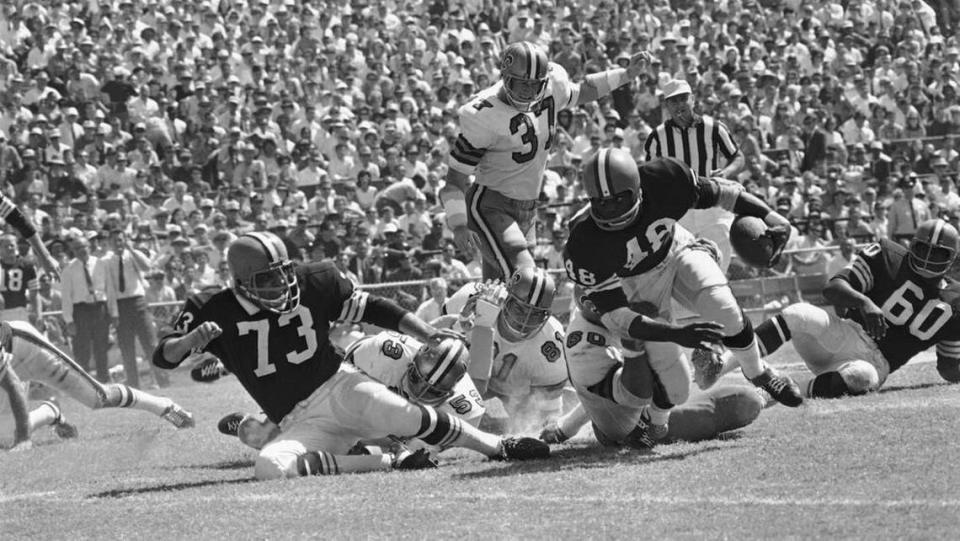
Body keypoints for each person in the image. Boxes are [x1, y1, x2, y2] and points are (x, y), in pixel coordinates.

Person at [153, 232, 548, 481]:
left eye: (284, 272)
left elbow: (373, 306)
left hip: (338, 386)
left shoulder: (314, 279)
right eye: (268, 278)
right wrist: (189, 341)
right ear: (240, 282)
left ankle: (499, 447)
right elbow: (163, 357)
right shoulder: (213, 308)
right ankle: (388, 465)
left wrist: (426, 333)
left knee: (407, 416)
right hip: (296, 418)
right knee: (269, 466)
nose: (283, 283)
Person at [562, 149, 803, 445]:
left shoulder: (665, 179)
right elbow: (620, 317)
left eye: (618, 198)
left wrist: (770, 215)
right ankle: (656, 423)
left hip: (676, 250)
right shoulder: (584, 244)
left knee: (722, 306)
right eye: (600, 201)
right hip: (635, 286)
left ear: (638, 189)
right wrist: (678, 334)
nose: (610, 208)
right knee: (677, 388)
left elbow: (722, 194)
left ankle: (758, 372)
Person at [441, 41, 650, 281]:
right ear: (505, 77)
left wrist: (626, 74)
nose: (528, 91)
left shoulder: (552, 86)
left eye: (534, 85)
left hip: (528, 208)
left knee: (498, 292)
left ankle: (473, 319)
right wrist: (458, 224)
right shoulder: (482, 114)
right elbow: (454, 180)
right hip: (492, 206)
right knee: (530, 282)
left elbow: (584, 90)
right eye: (521, 83)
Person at [748, 219, 960, 398]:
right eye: (923, 248)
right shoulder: (888, 255)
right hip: (844, 335)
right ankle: (733, 362)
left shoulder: (955, 302)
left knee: (860, 377)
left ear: (952, 257)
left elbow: (949, 367)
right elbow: (833, 288)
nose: (928, 257)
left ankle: (774, 393)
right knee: (798, 313)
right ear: (912, 245)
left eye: (938, 253)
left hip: (877, 364)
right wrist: (863, 302)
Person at [212, 330, 485, 453]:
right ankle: (256, 419)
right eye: (417, 378)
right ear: (413, 360)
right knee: (262, 436)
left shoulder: (465, 408)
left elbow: (410, 449)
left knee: (380, 452)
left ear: (452, 391)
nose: (420, 390)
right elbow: (332, 381)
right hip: (341, 401)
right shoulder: (384, 352)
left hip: (387, 430)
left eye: (432, 390)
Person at [538, 299, 764, 448]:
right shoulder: (584, 346)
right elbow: (634, 395)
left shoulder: (614, 296)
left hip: (627, 400)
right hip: (632, 425)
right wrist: (633, 347)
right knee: (746, 401)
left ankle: (767, 384)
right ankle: (768, 392)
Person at [0, 319, 193, 446]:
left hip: (28, 350)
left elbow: (13, 385)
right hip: (9, 361)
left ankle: (164, 406)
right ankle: (50, 412)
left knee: (98, 397)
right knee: (5, 436)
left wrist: (24, 439)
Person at [443, 269, 568, 430]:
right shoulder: (472, 298)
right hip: (467, 376)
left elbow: (548, 412)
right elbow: (435, 337)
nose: (525, 319)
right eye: (520, 309)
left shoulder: (550, 341)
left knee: (535, 425)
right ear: (506, 298)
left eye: (535, 314)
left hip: (517, 391)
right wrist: (460, 323)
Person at [643, 79, 743, 272]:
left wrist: (727, 172)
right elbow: (650, 174)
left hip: (713, 205)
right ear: (667, 106)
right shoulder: (657, 137)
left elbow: (737, 156)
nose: (679, 105)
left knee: (719, 261)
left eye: (683, 99)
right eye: (673, 101)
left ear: (693, 99)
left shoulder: (713, 128)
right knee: (681, 265)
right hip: (680, 211)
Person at [105, 228, 168, 388]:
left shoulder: (131, 256)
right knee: (127, 349)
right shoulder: (107, 260)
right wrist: (114, 312)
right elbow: (110, 289)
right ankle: (133, 385)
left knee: (151, 344)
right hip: (120, 305)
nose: (118, 244)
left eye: (120, 240)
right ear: (109, 243)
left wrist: (131, 249)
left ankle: (163, 381)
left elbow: (147, 267)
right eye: (115, 241)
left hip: (138, 302)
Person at [60, 235, 111, 382]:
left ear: (89, 247)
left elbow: (109, 289)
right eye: (77, 248)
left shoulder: (101, 264)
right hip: (80, 311)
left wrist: (112, 312)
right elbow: (66, 297)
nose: (81, 250)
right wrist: (69, 320)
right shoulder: (68, 269)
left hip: (99, 308)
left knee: (101, 347)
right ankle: (84, 383)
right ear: (73, 251)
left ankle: (104, 381)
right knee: (82, 349)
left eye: (84, 247)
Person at [0, 234, 40, 323]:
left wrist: (39, 315)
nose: (10, 248)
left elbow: (34, 294)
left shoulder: (27, 266)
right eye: (6, 246)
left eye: (12, 245)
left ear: (17, 247)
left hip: (19, 311)